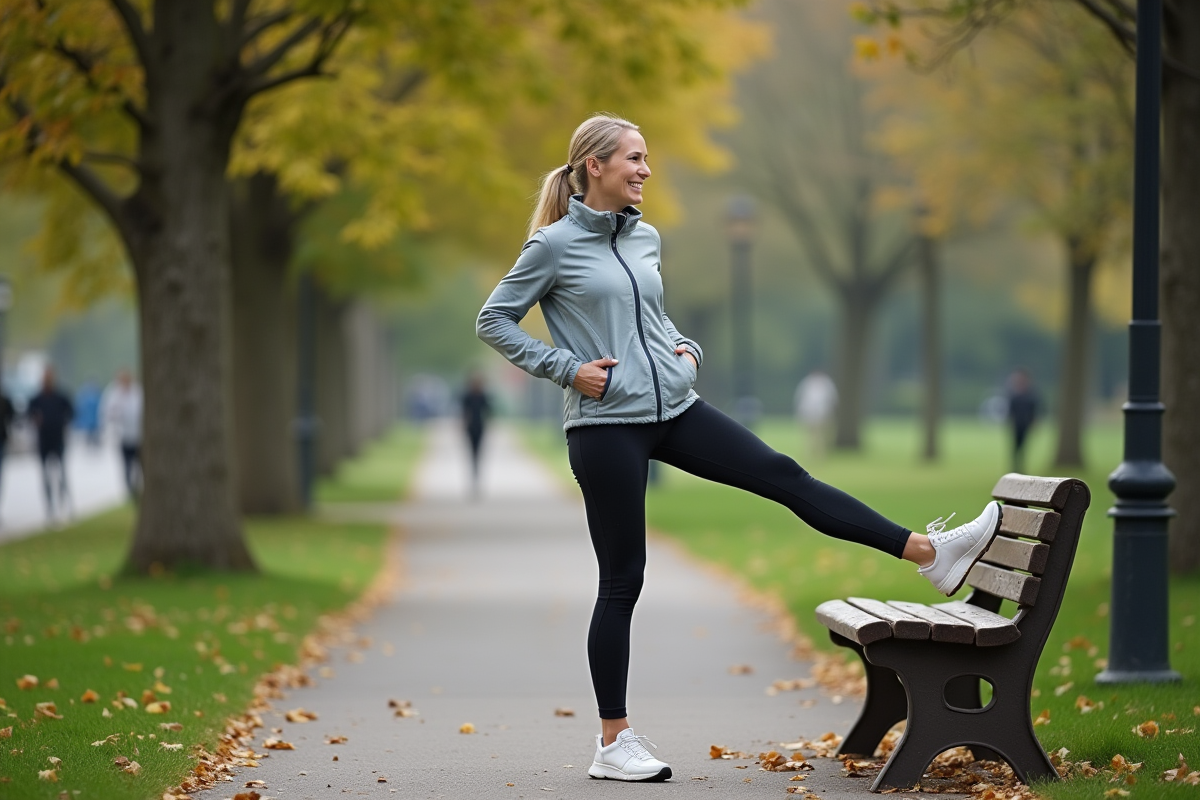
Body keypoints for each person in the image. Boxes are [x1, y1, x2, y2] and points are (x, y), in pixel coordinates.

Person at [476, 114, 1002, 783]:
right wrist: (566, 369)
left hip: (676, 409)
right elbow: (492, 318)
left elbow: (653, 313)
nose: (644, 170)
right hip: (605, 427)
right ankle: (614, 741)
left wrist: (684, 346)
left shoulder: (645, 237)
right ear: (594, 166)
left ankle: (930, 554)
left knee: (784, 474)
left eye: (647, 160)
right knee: (622, 580)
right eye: (634, 159)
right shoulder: (553, 246)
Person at [27, 366, 74, 523]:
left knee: (62, 473)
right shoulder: (36, 399)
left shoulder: (60, 397)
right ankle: (50, 506)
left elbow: (71, 412)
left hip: (58, 438)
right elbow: (29, 415)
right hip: (44, 440)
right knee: (45, 476)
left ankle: (65, 503)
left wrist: (63, 421)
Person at [102, 369, 143, 499]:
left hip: (138, 436)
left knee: (140, 464)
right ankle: (130, 490)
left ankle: (139, 487)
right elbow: (107, 412)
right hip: (123, 436)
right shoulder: (113, 393)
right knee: (126, 466)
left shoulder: (137, 392)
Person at [459, 372, 492, 496]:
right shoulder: (467, 396)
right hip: (470, 428)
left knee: (478, 453)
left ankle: (476, 477)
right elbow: (464, 412)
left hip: (480, 427)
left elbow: (488, 411)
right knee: (472, 453)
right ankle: (473, 477)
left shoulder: (482, 396)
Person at [794, 370, 838, 459]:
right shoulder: (810, 383)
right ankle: (815, 455)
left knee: (816, 436)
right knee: (813, 436)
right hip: (812, 413)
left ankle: (816, 455)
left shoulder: (824, 383)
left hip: (820, 414)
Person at [1006, 368, 1039, 474]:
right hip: (1016, 425)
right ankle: (1015, 467)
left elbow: (1034, 410)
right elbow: (1011, 410)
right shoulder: (1014, 395)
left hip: (1025, 425)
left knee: (1023, 446)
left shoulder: (1030, 395)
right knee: (1015, 447)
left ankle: (1021, 467)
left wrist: (1033, 422)